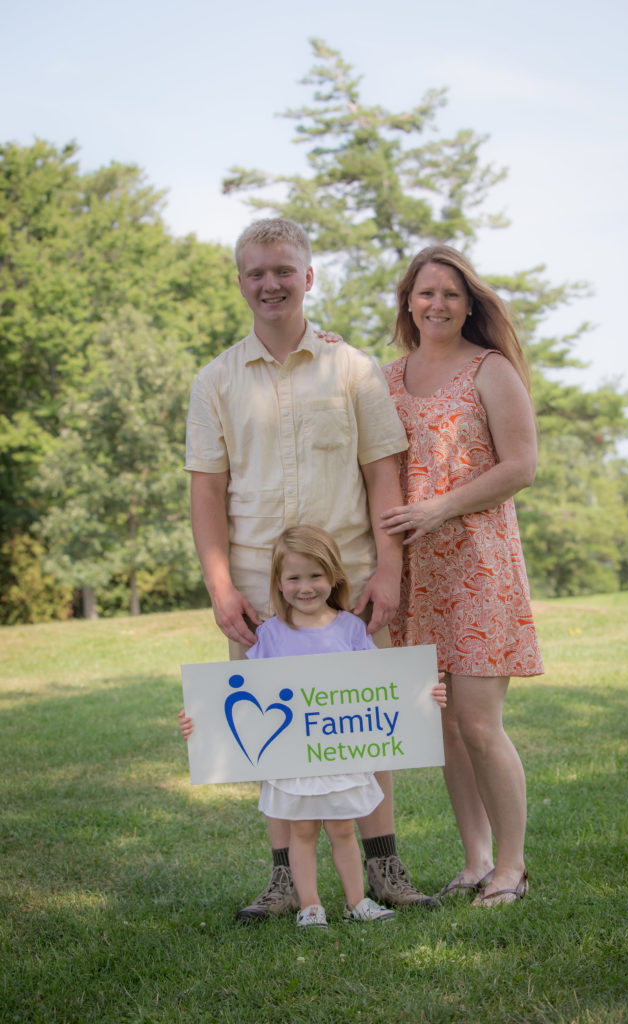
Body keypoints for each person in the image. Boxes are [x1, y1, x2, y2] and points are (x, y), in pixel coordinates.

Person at [184, 217, 440, 920]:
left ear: (308, 276)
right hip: (260, 594)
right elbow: (206, 489)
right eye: (256, 272)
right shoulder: (215, 381)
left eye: (283, 270)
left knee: (366, 726)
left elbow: (382, 473)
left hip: (349, 584)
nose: (270, 283)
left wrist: (387, 572)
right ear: (240, 282)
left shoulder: (352, 369)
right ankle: (281, 881)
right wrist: (219, 586)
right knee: (268, 731)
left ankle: (383, 867)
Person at [379, 245, 544, 907]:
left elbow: (521, 465)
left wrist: (440, 506)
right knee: (442, 724)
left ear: (468, 302)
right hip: (416, 572)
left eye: (449, 293)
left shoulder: (489, 369)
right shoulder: (386, 377)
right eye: (424, 293)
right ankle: (474, 859)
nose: (436, 304)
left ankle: (511, 867)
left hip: (478, 565)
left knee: (478, 722)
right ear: (407, 304)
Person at [180, 526, 448, 928]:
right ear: (278, 583)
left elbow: (378, 688)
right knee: (302, 832)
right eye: (294, 578)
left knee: (342, 829)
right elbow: (245, 696)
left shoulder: (352, 629)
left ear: (334, 577)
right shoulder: (269, 636)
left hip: (339, 755)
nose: (305, 587)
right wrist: (200, 723)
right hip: (295, 760)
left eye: (315, 576)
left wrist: (422, 700)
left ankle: (357, 902)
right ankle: (309, 906)